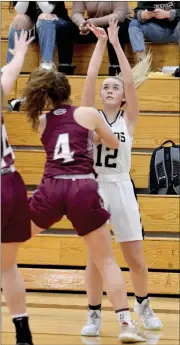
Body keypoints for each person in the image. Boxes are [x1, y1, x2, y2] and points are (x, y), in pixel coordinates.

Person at [21, 67, 146, 343]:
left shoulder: (41, 120)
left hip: (52, 187)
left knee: (11, 238)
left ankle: (97, 316)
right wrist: (94, 137)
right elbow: (113, 142)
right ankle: (125, 324)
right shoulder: (88, 115)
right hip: (83, 187)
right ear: (69, 92)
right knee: (106, 260)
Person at [80, 18, 162, 337]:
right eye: (106, 87)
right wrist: (99, 43)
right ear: (101, 95)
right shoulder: (91, 116)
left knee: (136, 258)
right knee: (96, 259)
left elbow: (129, 80)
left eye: (115, 87)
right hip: (95, 189)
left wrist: (116, 42)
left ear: (123, 96)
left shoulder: (129, 119)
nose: (111, 89)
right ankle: (94, 314)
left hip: (122, 187)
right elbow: (89, 79)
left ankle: (143, 305)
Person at [1, 31, 34, 345]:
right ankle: (22, 334)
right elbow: (9, 72)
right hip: (11, 182)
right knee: (7, 266)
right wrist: (20, 51)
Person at [6, 1, 75, 74]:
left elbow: (47, 10)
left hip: (57, 24)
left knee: (45, 16)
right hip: (34, 25)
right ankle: (11, 65)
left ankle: (47, 64)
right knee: (19, 19)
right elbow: (21, 11)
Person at [72, 1, 131, 75]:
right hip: (92, 25)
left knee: (113, 28)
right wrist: (83, 24)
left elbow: (119, 15)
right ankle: (65, 68)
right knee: (67, 28)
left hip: (118, 23)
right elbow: (76, 13)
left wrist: (92, 22)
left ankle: (116, 70)